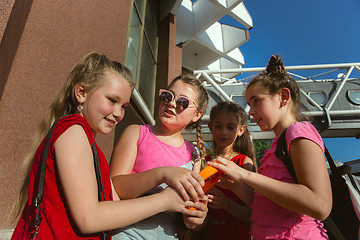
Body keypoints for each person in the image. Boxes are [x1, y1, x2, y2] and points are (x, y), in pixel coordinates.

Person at [11, 52, 204, 240]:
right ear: (81, 93)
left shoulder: (84, 139)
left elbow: (113, 202)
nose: (118, 113)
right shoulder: (74, 130)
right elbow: (89, 218)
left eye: (124, 107)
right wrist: (164, 200)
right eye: (112, 100)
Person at [208, 55, 332, 239]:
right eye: (249, 104)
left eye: (256, 101)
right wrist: (235, 187)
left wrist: (245, 175)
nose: (250, 111)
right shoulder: (275, 149)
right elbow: (266, 208)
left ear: (283, 97)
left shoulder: (298, 131)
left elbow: (320, 205)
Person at [110, 74, 209, 239]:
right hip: (127, 233)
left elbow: (188, 216)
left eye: (182, 102)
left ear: (197, 115)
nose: (171, 103)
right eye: (167, 96)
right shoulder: (136, 132)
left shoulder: (194, 156)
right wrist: (163, 174)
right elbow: (115, 187)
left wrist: (196, 220)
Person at [196, 101, 256, 240]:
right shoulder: (203, 161)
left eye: (230, 127)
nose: (224, 132)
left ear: (241, 130)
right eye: (219, 126)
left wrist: (227, 204)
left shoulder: (244, 163)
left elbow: (254, 213)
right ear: (211, 127)